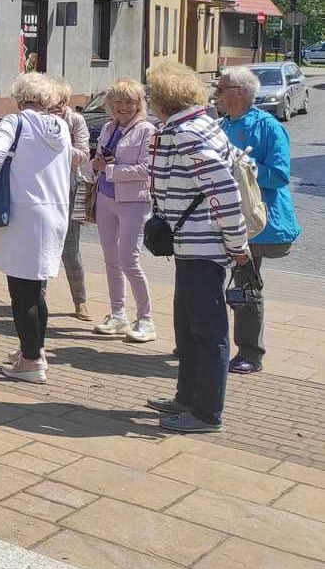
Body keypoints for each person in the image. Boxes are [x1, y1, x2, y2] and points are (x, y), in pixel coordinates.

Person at [145, 60, 250, 434]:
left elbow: (224, 192)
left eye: (151, 95)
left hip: (203, 248)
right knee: (189, 329)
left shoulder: (188, 134)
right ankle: (186, 398)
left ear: (164, 99)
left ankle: (206, 413)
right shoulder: (187, 128)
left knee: (207, 333)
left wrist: (238, 248)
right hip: (191, 246)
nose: (148, 100)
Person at [0, 74, 73, 384]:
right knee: (37, 290)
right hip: (55, 212)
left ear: (20, 97)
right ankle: (34, 349)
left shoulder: (15, 121)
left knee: (22, 293)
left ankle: (32, 362)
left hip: (25, 213)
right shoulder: (60, 126)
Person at [216, 65, 301, 375]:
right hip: (223, 218)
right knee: (214, 281)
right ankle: (210, 341)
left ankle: (250, 353)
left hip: (256, 223)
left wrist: (242, 162)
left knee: (246, 286)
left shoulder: (268, 126)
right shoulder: (221, 124)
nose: (217, 93)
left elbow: (279, 176)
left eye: (221, 88)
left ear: (239, 93)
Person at [90, 78, 157, 343]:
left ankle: (146, 320)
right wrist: (95, 164)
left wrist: (110, 169)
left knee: (129, 260)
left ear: (139, 104)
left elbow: (146, 170)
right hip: (106, 198)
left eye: (130, 101)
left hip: (134, 202)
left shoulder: (147, 130)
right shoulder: (108, 127)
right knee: (111, 260)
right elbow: (97, 160)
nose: (123, 107)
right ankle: (118, 314)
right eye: (118, 101)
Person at [52, 81, 93, 321]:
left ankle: (81, 301)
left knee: (70, 249)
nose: (54, 107)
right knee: (40, 247)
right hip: (43, 188)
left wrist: (59, 140)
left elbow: (81, 157)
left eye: (59, 102)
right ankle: (37, 298)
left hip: (69, 186)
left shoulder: (76, 121)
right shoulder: (40, 118)